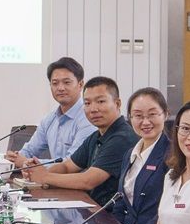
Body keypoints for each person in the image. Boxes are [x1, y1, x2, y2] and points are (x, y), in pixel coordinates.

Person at [23, 76, 132, 206]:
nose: (93, 109)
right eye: (87, 103)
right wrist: (38, 172)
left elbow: (88, 181)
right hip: (92, 206)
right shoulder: (96, 136)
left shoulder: (122, 138)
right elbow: (67, 166)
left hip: (110, 214)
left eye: (100, 101)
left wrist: (45, 177)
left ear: (117, 104)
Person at [11, 57, 96, 169]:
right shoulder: (49, 120)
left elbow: (72, 163)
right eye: (55, 83)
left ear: (80, 84)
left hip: (78, 179)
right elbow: (29, 151)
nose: (60, 88)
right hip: (52, 178)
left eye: (67, 82)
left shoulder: (89, 118)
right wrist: (14, 158)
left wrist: (28, 163)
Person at [112, 87, 171, 224]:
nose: (145, 122)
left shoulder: (172, 156)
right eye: (138, 115)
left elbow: (164, 213)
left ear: (165, 114)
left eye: (152, 114)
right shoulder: (130, 154)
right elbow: (120, 202)